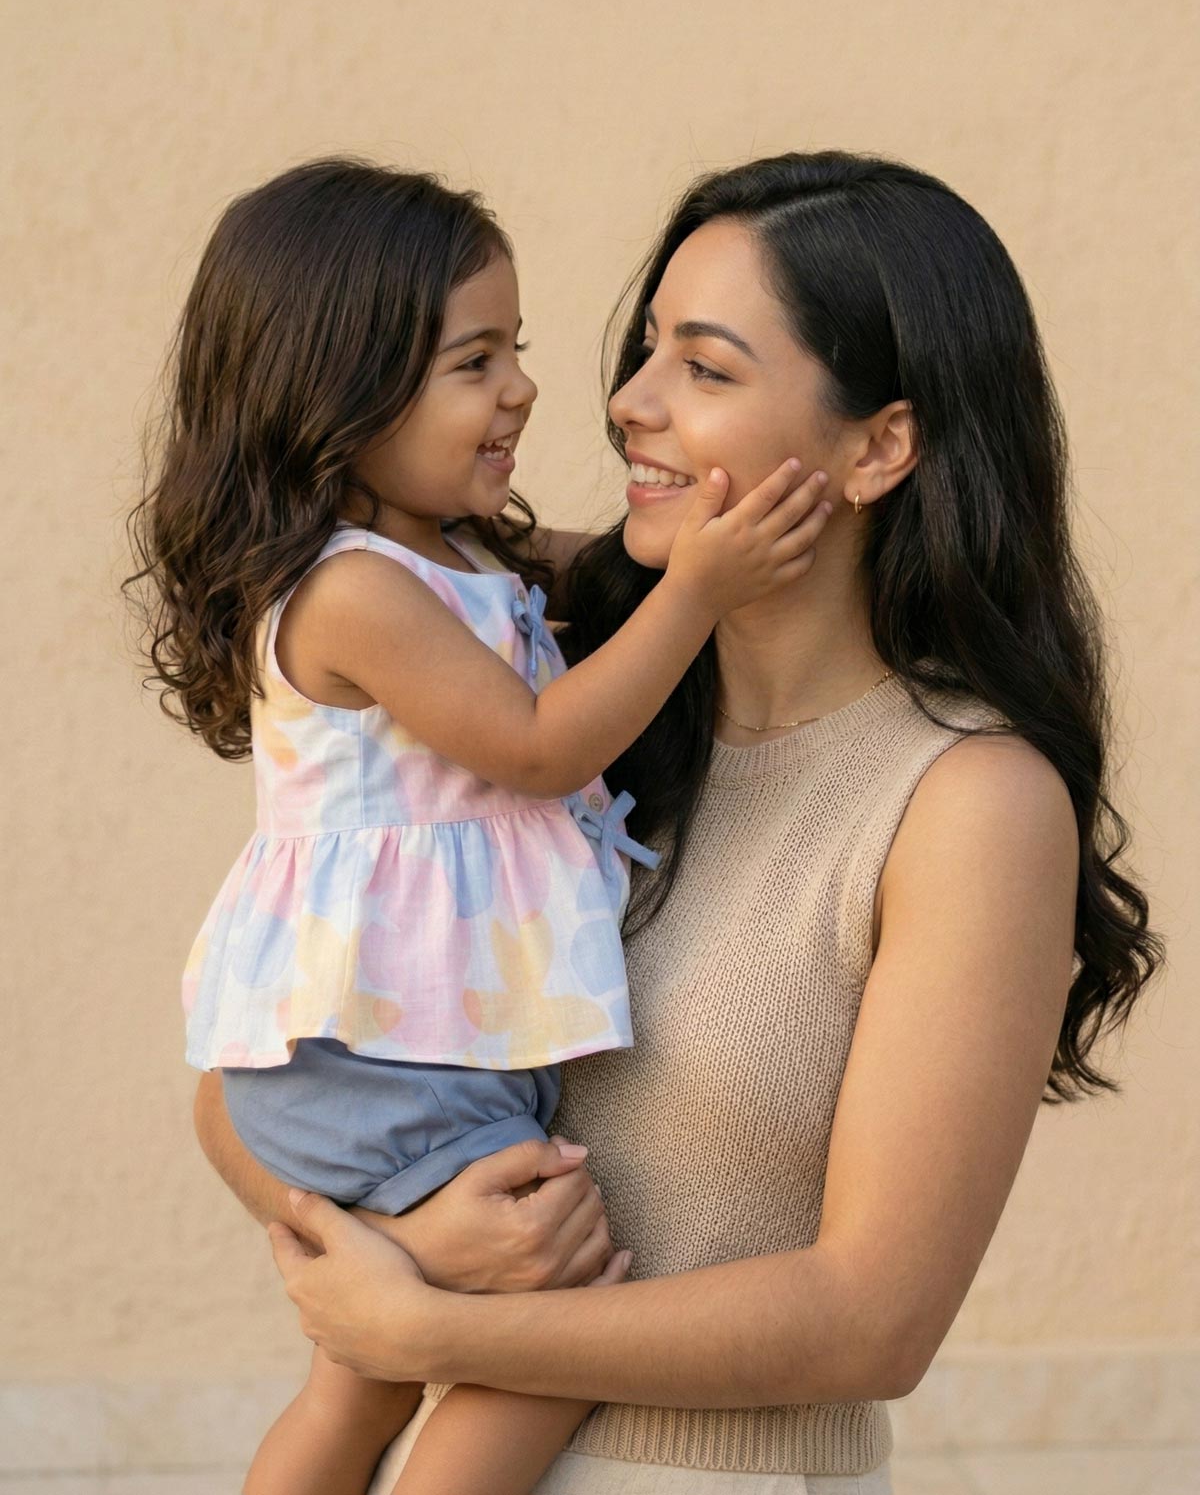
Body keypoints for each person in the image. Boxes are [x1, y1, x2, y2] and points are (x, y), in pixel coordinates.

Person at [196, 152, 1162, 1495]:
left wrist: (431, 1325)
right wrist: (387, 1238)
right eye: (646, 351)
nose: (624, 404)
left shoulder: (962, 803)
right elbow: (245, 1090)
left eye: (704, 370)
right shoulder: (571, 708)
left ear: (880, 445)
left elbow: (873, 1321)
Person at [126, 157, 831, 1495]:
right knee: (545, 1332)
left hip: (424, 1054)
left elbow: (605, 562)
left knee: (368, 1373)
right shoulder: (348, 595)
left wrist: (690, 532)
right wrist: (700, 590)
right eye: (474, 361)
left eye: (518, 349)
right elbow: (538, 745)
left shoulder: (463, 558)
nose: (522, 388)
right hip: (377, 1068)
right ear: (339, 391)